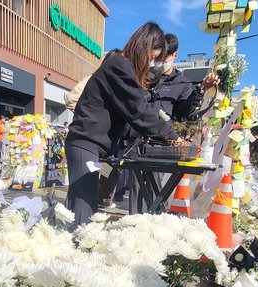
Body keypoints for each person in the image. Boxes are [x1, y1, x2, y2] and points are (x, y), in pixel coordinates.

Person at [65, 22, 179, 226]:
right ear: (144, 47)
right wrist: (171, 136)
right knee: (83, 210)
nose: (151, 64)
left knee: (85, 206)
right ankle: (74, 251)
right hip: (85, 142)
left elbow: (126, 114)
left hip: (91, 145)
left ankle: (76, 247)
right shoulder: (119, 66)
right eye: (152, 58)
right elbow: (138, 111)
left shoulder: (120, 66)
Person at [124, 33, 219, 213]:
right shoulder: (147, 77)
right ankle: (134, 223)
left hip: (160, 143)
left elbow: (184, 114)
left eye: (165, 56)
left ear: (175, 55)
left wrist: (201, 90)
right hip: (137, 140)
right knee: (136, 187)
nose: (160, 61)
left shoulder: (182, 82)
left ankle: (155, 222)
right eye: (158, 56)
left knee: (155, 187)